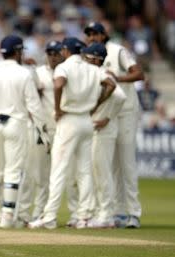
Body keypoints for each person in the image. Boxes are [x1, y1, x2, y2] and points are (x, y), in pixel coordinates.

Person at [28, 37, 116, 229]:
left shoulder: (64, 67)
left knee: (59, 170)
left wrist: (58, 108)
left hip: (69, 120)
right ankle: (84, 217)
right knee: (84, 171)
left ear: (67, 51)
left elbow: (59, 85)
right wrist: (97, 104)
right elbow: (111, 84)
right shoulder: (93, 69)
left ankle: (49, 217)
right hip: (86, 120)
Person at [0, 35, 48, 229]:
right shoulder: (23, 74)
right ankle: (7, 218)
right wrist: (43, 130)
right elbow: (35, 106)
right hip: (16, 124)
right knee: (13, 172)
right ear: (18, 52)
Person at [84, 22, 145, 228]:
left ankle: (133, 213)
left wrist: (116, 78)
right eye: (89, 34)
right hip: (109, 115)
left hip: (126, 111)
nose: (91, 37)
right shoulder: (91, 54)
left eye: (95, 34)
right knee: (108, 165)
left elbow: (139, 74)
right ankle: (117, 212)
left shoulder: (117, 51)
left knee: (126, 163)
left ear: (104, 35)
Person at [14, 40, 64, 227]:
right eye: (50, 53)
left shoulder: (65, 72)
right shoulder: (39, 73)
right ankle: (27, 214)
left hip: (62, 128)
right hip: (41, 129)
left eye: (56, 53)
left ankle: (42, 212)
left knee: (57, 175)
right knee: (35, 174)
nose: (52, 56)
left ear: (62, 54)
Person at [81, 43, 127, 228]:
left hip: (104, 130)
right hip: (95, 128)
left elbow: (121, 96)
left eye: (87, 57)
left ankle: (106, 214)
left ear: (94, 58)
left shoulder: (104, 74)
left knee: (102, 172)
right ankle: (101, 212)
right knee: (95, 171)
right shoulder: (95, 75)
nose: (84, 60)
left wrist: (108, 117)